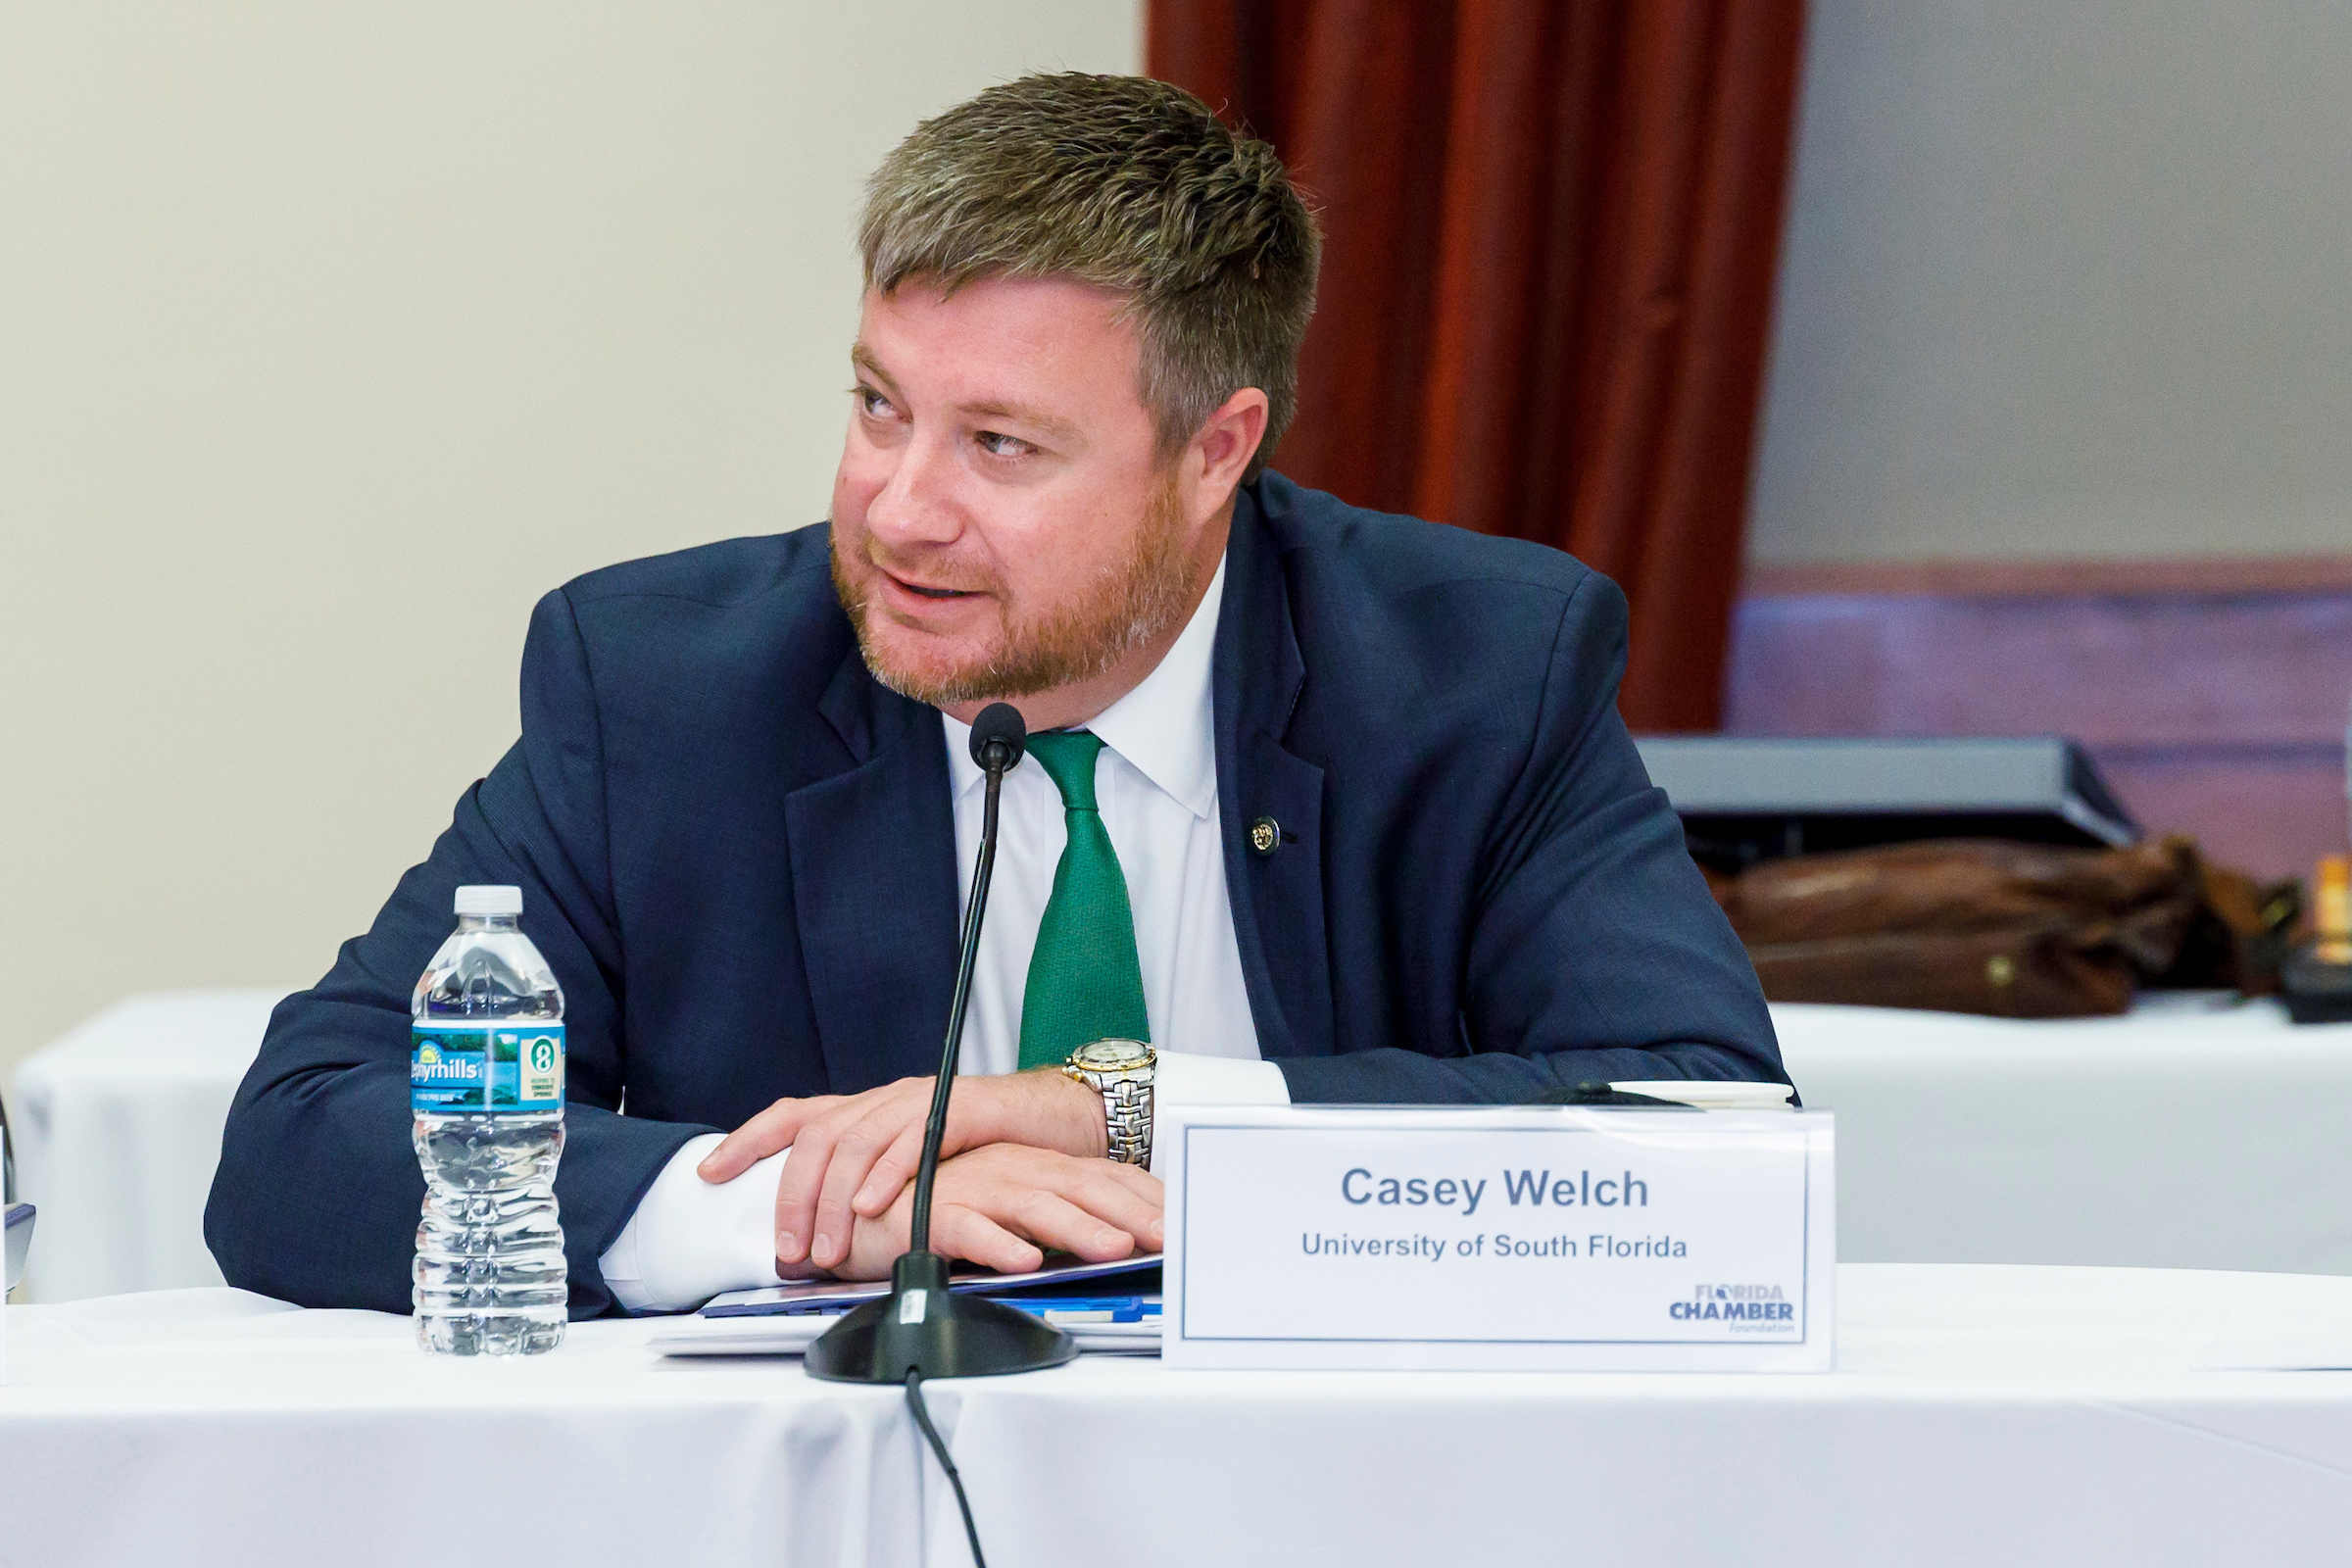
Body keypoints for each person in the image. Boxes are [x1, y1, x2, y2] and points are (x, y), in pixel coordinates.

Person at [205, 73, 1787, 1318]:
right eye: (880, 408)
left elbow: (1711, 1129)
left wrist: (1128, 1116)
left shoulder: (1473, 669)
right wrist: (799, 1213)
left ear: (1215, 453)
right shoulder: (666, 687)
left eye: (1000, 446)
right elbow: (304, 1134)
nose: (900, 512)